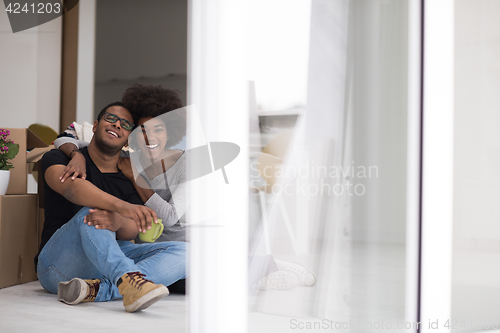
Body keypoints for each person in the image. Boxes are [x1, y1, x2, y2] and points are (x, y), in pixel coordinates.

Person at [55, 84, 316, 292]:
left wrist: (136, 178)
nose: (150, 137)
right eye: (143, 130)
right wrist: (76, 154)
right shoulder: (129, 155)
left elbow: (169, 216)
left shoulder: (187, 162)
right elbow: (69, 135)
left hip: (192, 246)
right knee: (168, 282)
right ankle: (253, 268)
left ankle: (267, 265)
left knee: (199, 284)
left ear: (171, 133)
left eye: (159, 130)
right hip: (156, 249)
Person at [36, 101, 187, 312]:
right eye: (111, 118)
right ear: (96, 125)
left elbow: (135, 227)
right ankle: (128, 282)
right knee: (93, 212)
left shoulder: (127, 177)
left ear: (128, 140)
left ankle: (101, 289)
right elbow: (73, 189)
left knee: (187, 253)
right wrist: (122, 208)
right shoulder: (59, 158)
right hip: (56, 266)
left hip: (103, 265)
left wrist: (118, 221)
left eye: (125, 125)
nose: (117, 125)